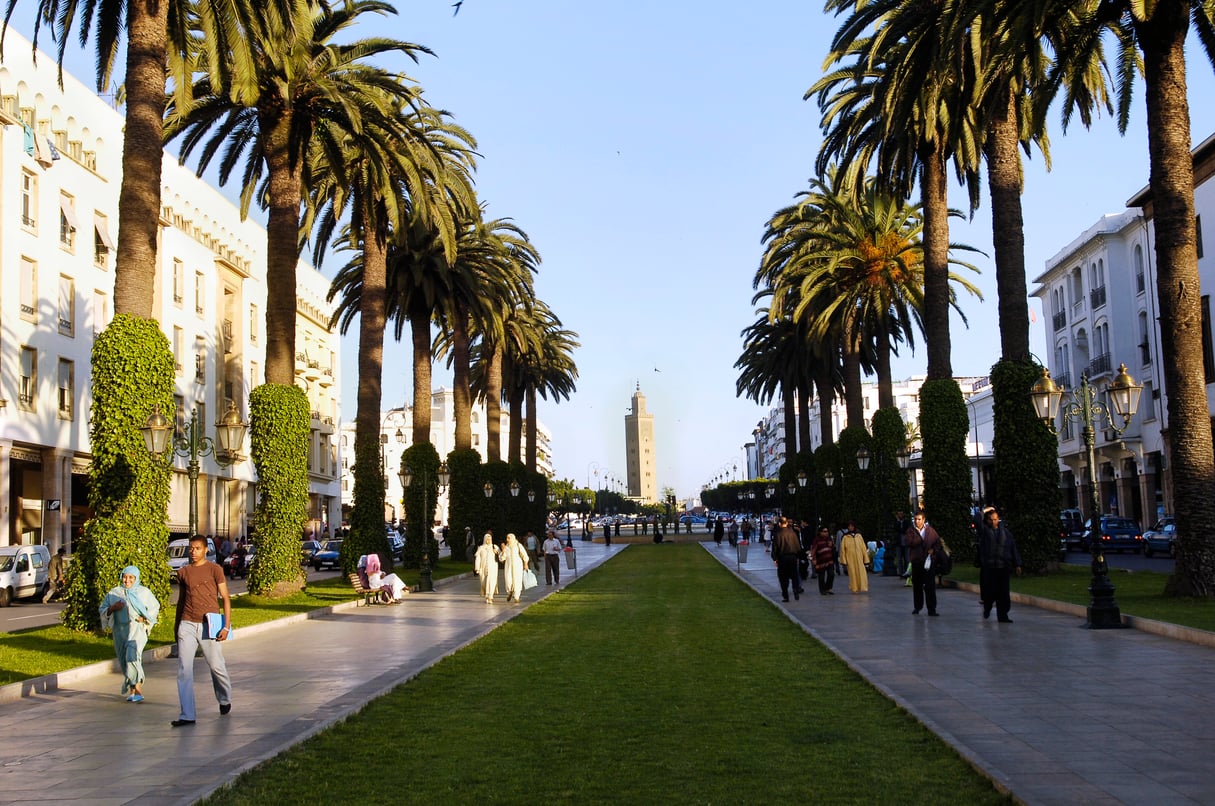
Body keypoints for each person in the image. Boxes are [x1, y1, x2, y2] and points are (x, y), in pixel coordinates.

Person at [173, 535, 232, 727]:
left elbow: (225, 598)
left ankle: (224, 699)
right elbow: (181, 600)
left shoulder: (215, 570)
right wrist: (177, 627)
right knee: (184, 669)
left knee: (216, 666)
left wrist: (226, 625)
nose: (193, 551)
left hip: (210, 624)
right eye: (191, 548)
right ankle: (187, 715)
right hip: (187, 623)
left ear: (206, 549)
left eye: (197, 548)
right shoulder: (183, 572)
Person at [99, 565, 160, 703]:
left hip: (137, 629)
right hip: (120, 631)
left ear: (136, 578)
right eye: (125, 577)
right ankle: (132, 689)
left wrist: (145, 618)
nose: (127, 581)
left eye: (131, 577)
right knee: (124, 659)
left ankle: (138, 688)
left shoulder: (143, 592)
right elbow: (103, 609)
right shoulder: (114, 593)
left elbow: (154, 607)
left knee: (132, 655)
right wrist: (113, 608)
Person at [977, 507, 1022, 623]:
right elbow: (977, 519)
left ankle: (1003, 615)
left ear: (999, 519)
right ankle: (987, 608)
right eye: (991, 520)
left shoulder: (1006, 533)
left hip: (1003, 567)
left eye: (995, 519)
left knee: (1003, 593)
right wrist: (985, 510)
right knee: (989, 592)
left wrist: (1017, 564)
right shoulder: (985, 532)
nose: (993, 522)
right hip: (989, 567)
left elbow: (1013, 548)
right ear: (987, 521)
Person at [906, 511, 941, 616]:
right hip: (916, 562)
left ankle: (932, 609)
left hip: (928, 562)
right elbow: (909, 542)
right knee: (917, 586)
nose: (917, 521)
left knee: (930, 586)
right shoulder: (911, 531)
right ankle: (917, 607)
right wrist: (921, 540)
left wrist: (933, 550)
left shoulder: (930, 531)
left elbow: (937, 543)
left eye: (919, 519)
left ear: (924, 520)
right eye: (915, 519)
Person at [770, 516, 803, 602]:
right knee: (794, 575)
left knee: (783, 577)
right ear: (787, 523)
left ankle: (785, 595)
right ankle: (795, 589)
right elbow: (798, 546)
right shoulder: (793, 533)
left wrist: (775, 558)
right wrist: (798, 556)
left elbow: (775, 548)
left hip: (782, 558)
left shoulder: (777, 534)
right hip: (793, 557)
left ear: (780, 524)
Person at [838, 521, 870, 593]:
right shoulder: (845, 537)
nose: (850, 528)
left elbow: (863, 547)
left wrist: (866, 559)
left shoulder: (859, 536)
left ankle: (863, 586)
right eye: (849, 526)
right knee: (852, 574)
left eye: (852, 526)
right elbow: (842, 549)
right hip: (850, 558)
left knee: (862, 573)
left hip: (859, 558)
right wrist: (844, 560)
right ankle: (854, 588)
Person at [500, 533, 530, 603]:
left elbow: (524, 555)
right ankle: (510, 592)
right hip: (508, 566)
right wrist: (503, 550)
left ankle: (517, 597)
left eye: (509, 538)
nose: (507, 540)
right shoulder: (506, 547)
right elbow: (502, 559)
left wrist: (525, 564)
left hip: (517, 566)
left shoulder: (518, 545)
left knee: (517, 581)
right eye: (507, 538)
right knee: (508, 580)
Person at [809, 525, 835, 595]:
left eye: (827, 531)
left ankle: (828, 588)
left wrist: (832, 545)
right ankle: (822, 590)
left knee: (831, 574)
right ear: (820, 532)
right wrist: (813, 559)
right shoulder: (817, 540)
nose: (826, 533)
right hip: (820, 561)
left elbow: (833, 548)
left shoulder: (829, 539)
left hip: (829, 560)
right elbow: (813, 550)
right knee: (821, 577)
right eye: (824, 531)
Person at [474, 534, 500, 604]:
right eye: (487, 539)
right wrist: (477, 568)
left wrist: (496, 552)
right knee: (483, 582)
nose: (488, 540)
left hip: (493, 568)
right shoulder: (481, 548)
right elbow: (478, 558)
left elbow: (500, 557)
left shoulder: (495, 547)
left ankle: (490, 596)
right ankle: (487, 595)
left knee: (491, 582)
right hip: (483, 568)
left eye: (490, 539)